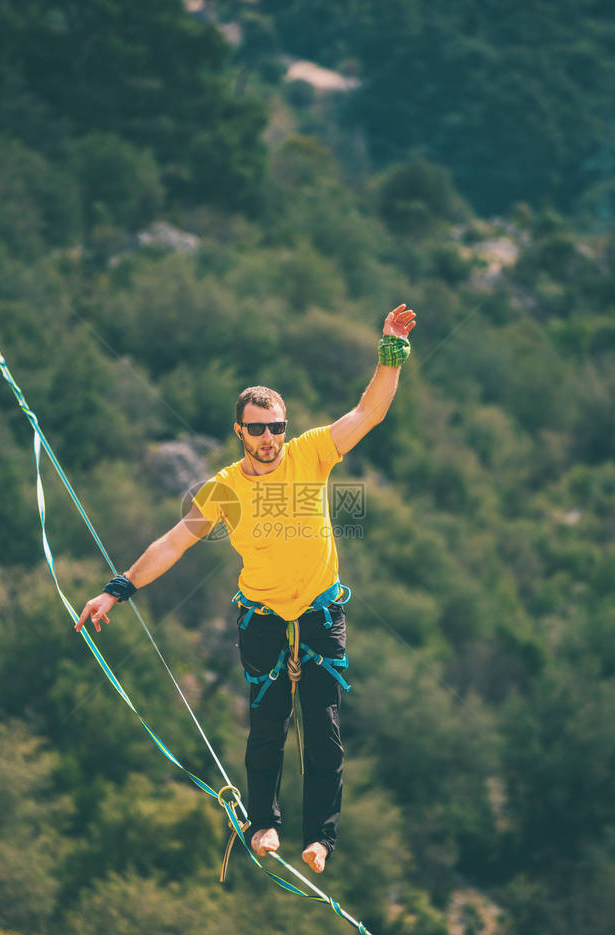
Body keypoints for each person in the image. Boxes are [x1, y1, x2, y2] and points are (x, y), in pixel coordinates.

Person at [76, 304, 416, 873]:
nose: (268, 437)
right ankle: (264, 825)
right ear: (240, 431)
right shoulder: (224, 489)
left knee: (323, 724)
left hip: (319, 609)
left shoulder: (310, 454)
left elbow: (369, 411)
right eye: (257, 428)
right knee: (267, 724)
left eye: (275, 426)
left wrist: (390, 354)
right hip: (260, 613)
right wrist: (117, 589)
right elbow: (171, 544)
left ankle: (320, 839)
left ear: (285, 427)